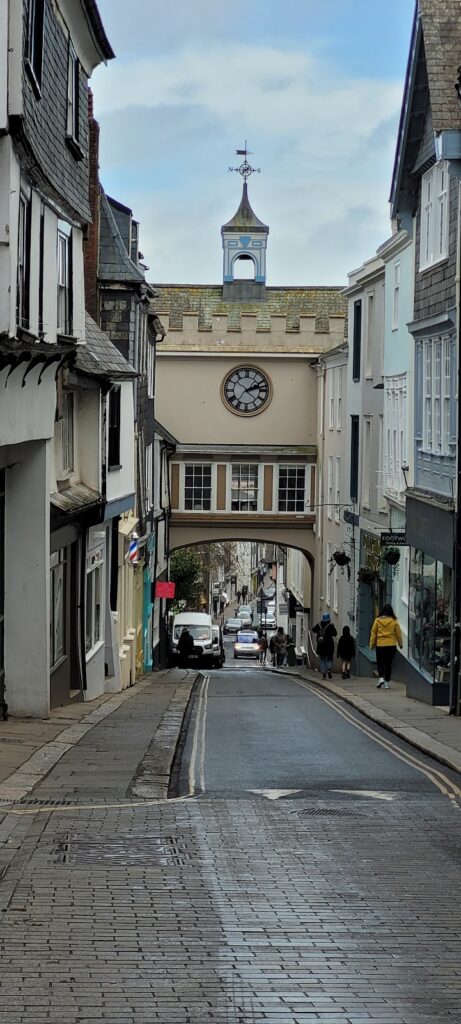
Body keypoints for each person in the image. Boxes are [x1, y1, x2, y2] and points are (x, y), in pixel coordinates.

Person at [369, 603, 403, 689]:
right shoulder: (394, 621)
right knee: (388, 664)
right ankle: (387, 682)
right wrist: (400, 644)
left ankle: (381, 679)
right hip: (391, 645)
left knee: (380, 663)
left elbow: (373, 633)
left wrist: (372, 644)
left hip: (380, 645)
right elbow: (398, 634)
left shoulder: (377, 620)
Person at [313, 611, 337, 679]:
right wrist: (333, 627)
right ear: (329, 619)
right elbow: (335, 634)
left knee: (322, 660)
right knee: (329, 659)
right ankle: (329, 670)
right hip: (329, 646)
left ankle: (324, 675)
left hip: (321, 646)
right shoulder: (330, 626)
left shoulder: (319, 625)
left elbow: (313, 630)